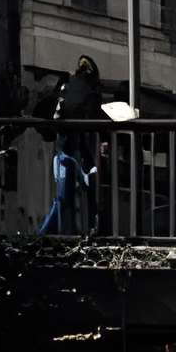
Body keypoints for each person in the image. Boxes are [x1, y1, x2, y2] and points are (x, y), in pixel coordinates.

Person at [37, 57, 107, 235]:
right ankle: (51, 234)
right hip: (76, 147)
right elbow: (94, 119)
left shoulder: (67, 84)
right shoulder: (89, 91)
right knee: (80, 195)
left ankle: (48, 234)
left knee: (64, 197)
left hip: (64, 145)